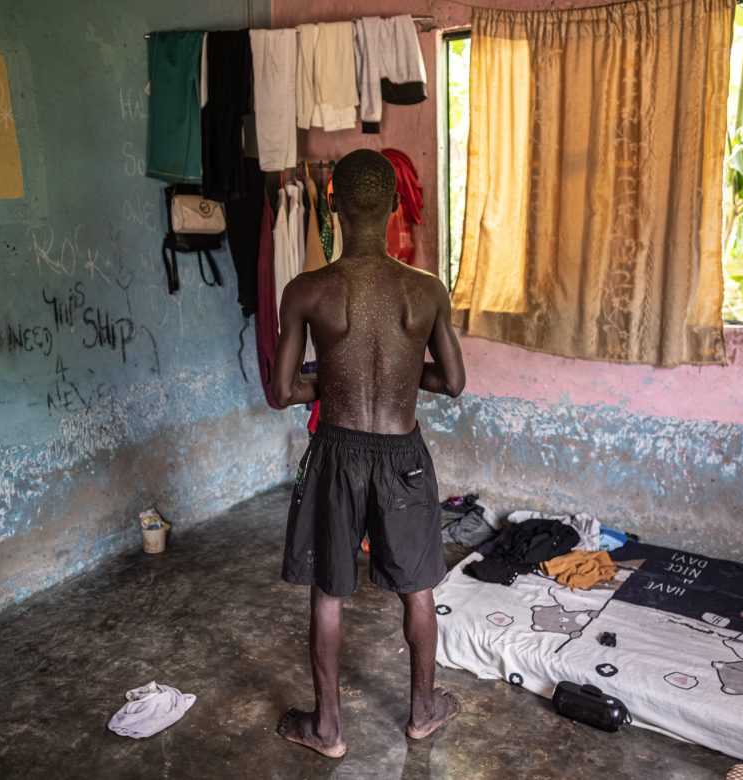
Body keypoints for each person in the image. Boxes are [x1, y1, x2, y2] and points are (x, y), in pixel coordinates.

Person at [271, 148, 466, 758]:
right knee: (419, 589)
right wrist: (405, 381)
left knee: (328, 592)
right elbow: (453, 381)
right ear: (391, 208)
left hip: (337, 452)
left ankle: (327, 730)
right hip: (402, 455)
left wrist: (329, 384)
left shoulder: (308, 289)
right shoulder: (426, 291)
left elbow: (281, 391)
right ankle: (423, 710)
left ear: (332, 204)